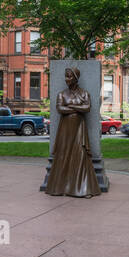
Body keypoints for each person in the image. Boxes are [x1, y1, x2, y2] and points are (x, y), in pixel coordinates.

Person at [44, 67, 100, 198]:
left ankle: (83, 189)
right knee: (64, 155)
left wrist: (71, 106)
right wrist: (77, 109)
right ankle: (60, 187)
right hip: (65, 130)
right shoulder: (62, 94)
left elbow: (87, 108)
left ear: (76, 78)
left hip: (79, 128)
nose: (67, 79)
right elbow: (60, 109)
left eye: (69, 76)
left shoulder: (84, 93)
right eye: (66, 76)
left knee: (80, 155)